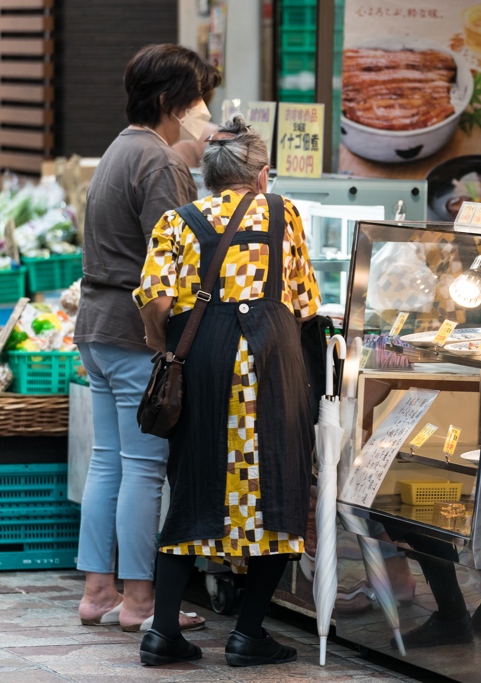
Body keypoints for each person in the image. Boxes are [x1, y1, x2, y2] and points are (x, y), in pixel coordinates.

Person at [134, 116, 321, 667]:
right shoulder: (283, 214)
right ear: (262, 175)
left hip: (204, 357)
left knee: (193, 484)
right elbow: (305, 301)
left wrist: (165, 347)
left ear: (208, 175)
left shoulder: (177, 220)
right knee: (278, 486)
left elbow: (155, 301)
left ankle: (161, 633)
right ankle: (246, 634)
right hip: (271, 357)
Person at [74, 43, 219, 633]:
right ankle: (139, 602)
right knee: (142, 467)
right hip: (137, 333)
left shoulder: (118, 147)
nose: (203, 114)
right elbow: (177, 262)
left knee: (108, 462)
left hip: (97, 327)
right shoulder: (160, 162)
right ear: (170, 102)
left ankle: (97, 591)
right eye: (197, 102)